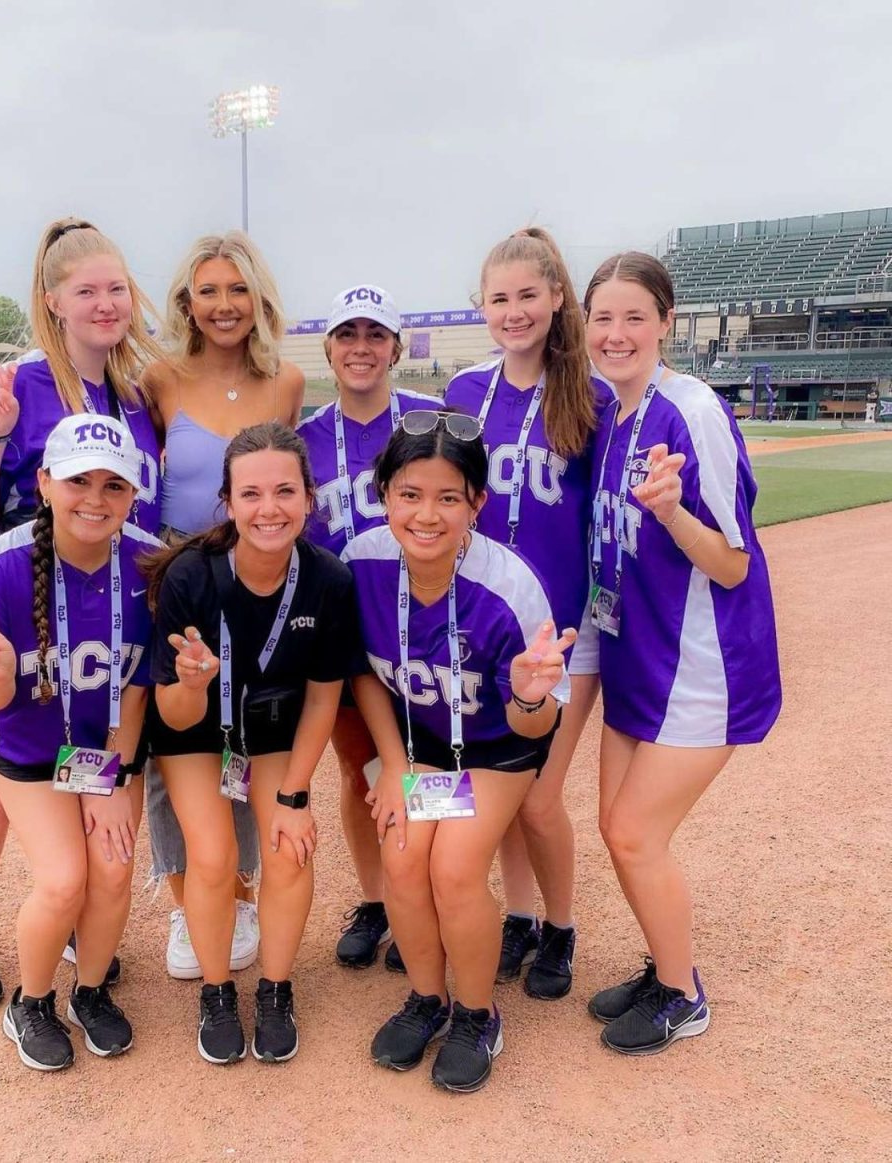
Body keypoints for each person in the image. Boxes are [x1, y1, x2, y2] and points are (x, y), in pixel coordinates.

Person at [0, 216, 162, 1007]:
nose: (105, 303)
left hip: (102, 605)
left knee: (87, 765)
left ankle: (70, 921)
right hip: (10, 604)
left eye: (116, 288)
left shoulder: (136, 395)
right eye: (86, 291)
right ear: (52, 301)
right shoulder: (21, 382)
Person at [582, 252, 781, 1055]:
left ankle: (683, 993)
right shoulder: (612, 413)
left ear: (667, 321)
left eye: (635, 316)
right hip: (639, 658)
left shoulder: (691, 410)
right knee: (615, 825)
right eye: (603, 317)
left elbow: (733, 562)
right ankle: (664, 962)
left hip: (703, 666)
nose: (617, 332)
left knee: (634, 832)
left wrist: (671, 514)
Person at [343, 412, 576, 1093]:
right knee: (402, 855)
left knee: (453, 864)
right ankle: (428, 997)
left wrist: (531, 694)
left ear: (477, 502)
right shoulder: (362, 563)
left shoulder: (508, 587)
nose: (426, 513)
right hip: (421, 751)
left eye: (449, 496)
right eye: (410, 493)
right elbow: (362, 669)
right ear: (384, 493)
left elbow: (535, 727)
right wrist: (393, 760)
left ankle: (477, 1013)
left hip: (499, 746)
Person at [145, 422, 364, 1065]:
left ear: (308, 496)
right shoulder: (192, 575)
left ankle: (274, 988)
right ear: (228, 502)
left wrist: (295, 794)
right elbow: (172, 714)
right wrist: (191, 680)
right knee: (212, 858)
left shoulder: (327, 579)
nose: (269, 509)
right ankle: (216, 992)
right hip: (193, 734)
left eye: (284, 491)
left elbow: (324, 697)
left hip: (269, 732)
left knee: (290, 848)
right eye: (251, 494)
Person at [0, 414, 155, 1072]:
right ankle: (30, 1001)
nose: (95, 498)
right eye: (78, 481)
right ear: (43, 483)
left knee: (115, 868)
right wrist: (1, 676)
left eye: (113, 485)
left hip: (105, 750)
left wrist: (114, 781)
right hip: (27, 749)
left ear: (133, 494)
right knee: (65, 879)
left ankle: (89, 992)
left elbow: (137, 687)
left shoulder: (148, 563)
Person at [444, 228, 613, 1000]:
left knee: (539, 799)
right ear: (482, 305)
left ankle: (562, 925)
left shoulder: (593, 393)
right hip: (487, 628)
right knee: (505, 791)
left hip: (563, 632)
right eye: (499, 298)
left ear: (556, 299)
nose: (513, 312)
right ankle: (518, 915)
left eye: (527, 296)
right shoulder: (465, 394)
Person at [142, 232, 305, 981]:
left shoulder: (288, 383)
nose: (223, 305)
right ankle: (186, 900)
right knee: (170, 740)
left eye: (237, 289)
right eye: (207, 291)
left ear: (259, 298)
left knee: (246, 731)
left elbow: (278, 487)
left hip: (253, 574)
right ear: (187, 302)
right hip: (179, 576)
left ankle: (237, 892)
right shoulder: (161, 380)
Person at [297, 284, 440, 971]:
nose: (361, 347)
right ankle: (379, 899)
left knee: (442, 760)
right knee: (361, 771)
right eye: (347, 334)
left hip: (430, 625)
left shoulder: (431, 419)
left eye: (375, 334)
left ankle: (436, 892)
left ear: (395, 346)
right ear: (328, 349)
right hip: (347, 631)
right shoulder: (306, 438)